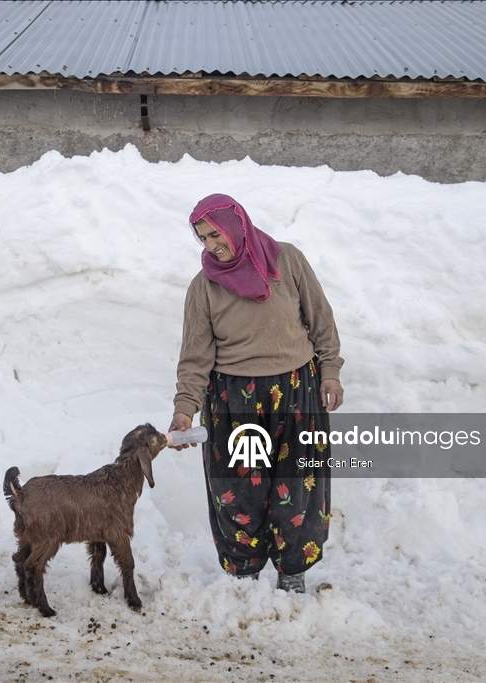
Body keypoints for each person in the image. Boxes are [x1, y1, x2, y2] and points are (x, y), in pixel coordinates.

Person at [169, 193, 344, 593]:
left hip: (297, 390)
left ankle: (292, 575)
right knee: (239, 490)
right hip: (235, 401)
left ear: (236, 225)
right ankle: (244, 577)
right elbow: (195, 357)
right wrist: (185, 409)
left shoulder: (288, 261)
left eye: (215, 234)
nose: (211, 244)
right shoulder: (204, 288)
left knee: (298, 486)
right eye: (202, 238)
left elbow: (321, 322)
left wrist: (330, 373)